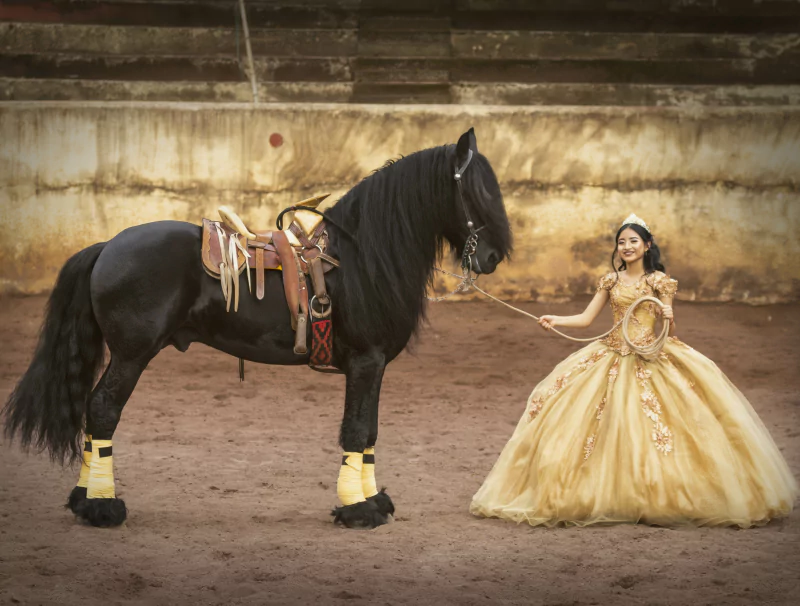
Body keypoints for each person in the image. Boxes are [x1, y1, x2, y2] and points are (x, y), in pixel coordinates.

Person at [470, 214, 797, 527]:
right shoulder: (610, 280)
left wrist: (667, 312)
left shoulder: (659, 282)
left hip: (650, 354)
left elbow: (669, 327)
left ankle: (653, 495)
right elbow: (586, 319)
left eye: (633, 241)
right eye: (621, 242)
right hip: (611, 352)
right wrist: (556, 319)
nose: (626, 247)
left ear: (647, 245)